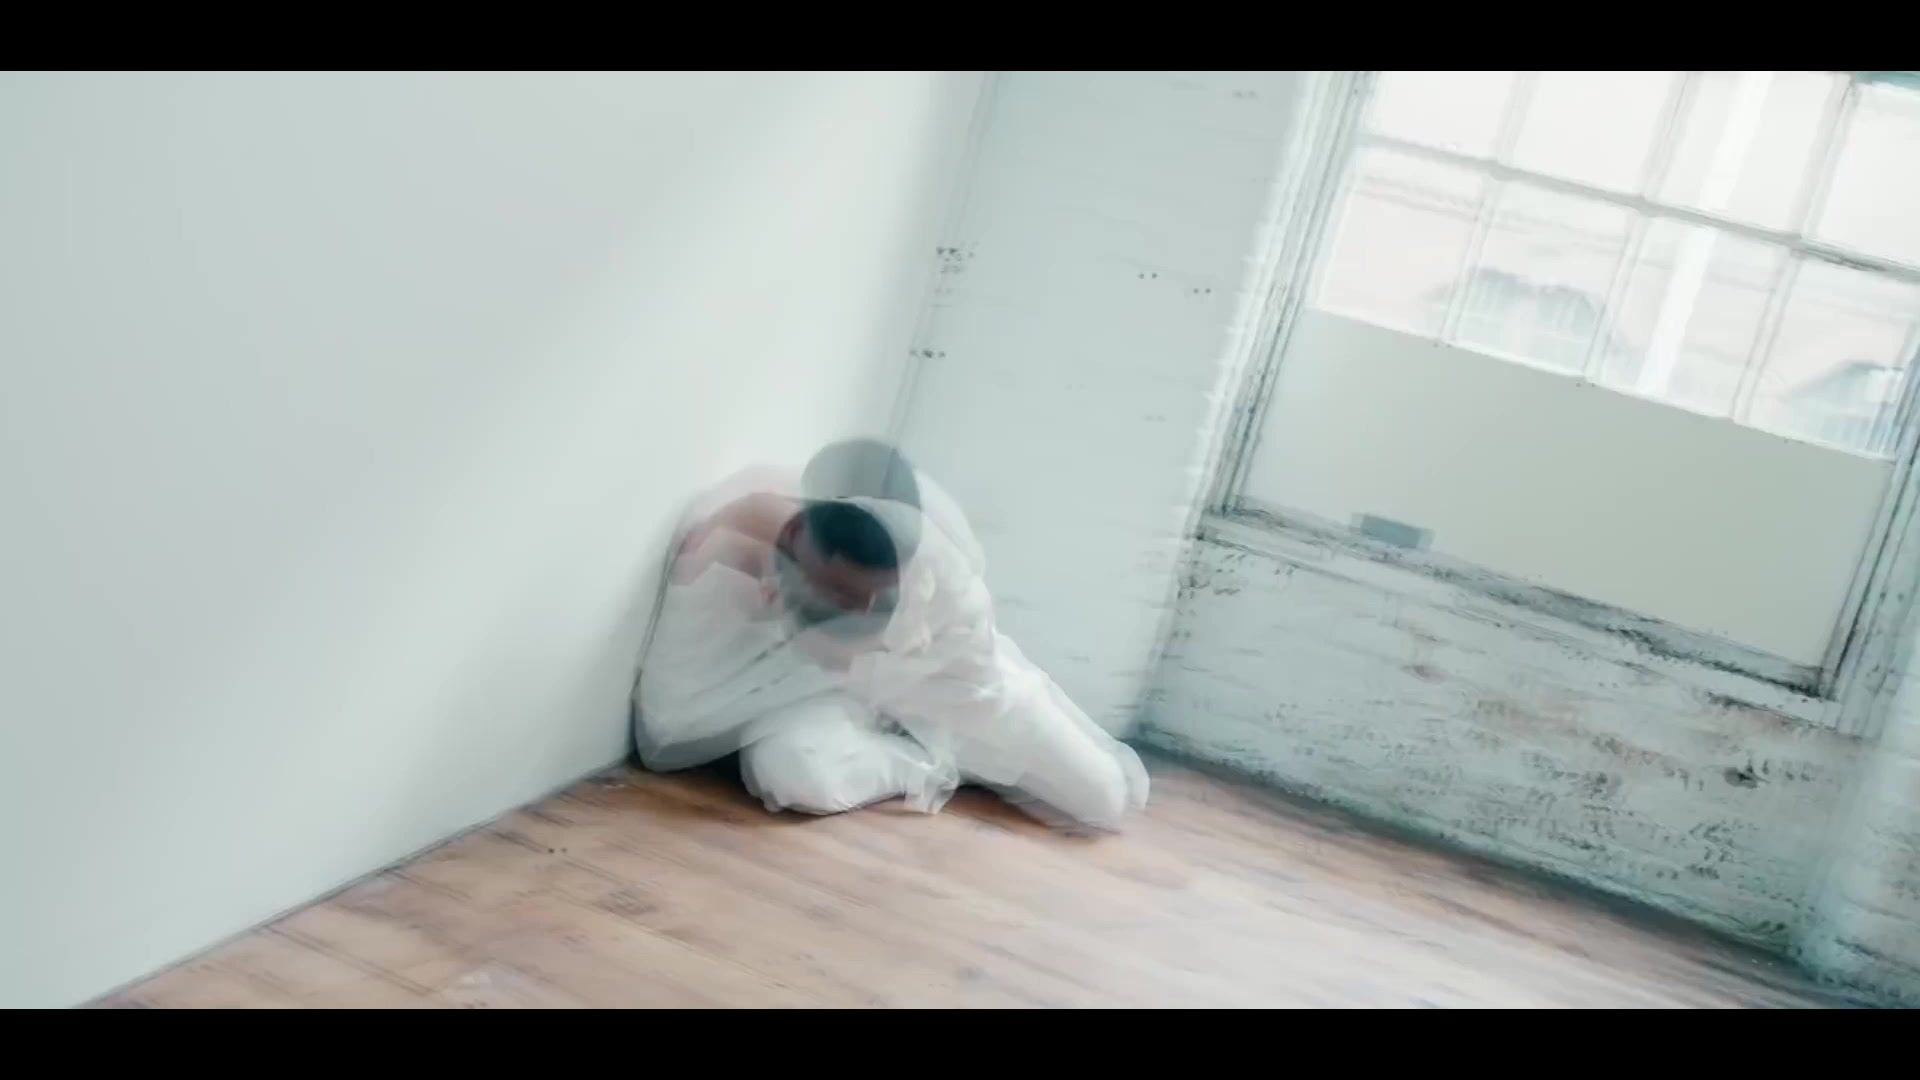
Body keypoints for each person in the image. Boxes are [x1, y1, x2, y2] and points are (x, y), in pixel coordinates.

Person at [630, 438, 1148, 830]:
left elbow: (876, 637)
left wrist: (870, 624)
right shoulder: (760, 538)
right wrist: (771, 580)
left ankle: (956, 739)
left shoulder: (938, 584)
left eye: (869, 600)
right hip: (817, 690)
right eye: (843, 593)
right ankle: (923, 760)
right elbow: (668, 723)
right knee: (791, 772)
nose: (858, 606)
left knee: (1102, 799)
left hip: (948, 673)